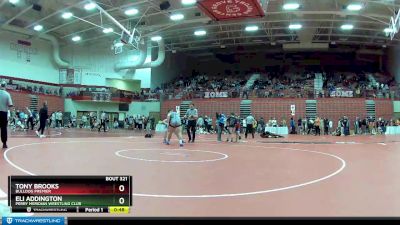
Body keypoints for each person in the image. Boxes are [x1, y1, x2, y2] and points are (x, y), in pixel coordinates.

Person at [0, 81, 13, 148]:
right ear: (5, 86)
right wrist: (12, 115)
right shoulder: (7, 94)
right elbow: (10, 105)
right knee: (3, 128)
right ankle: (4, 143)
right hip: (4, 113)